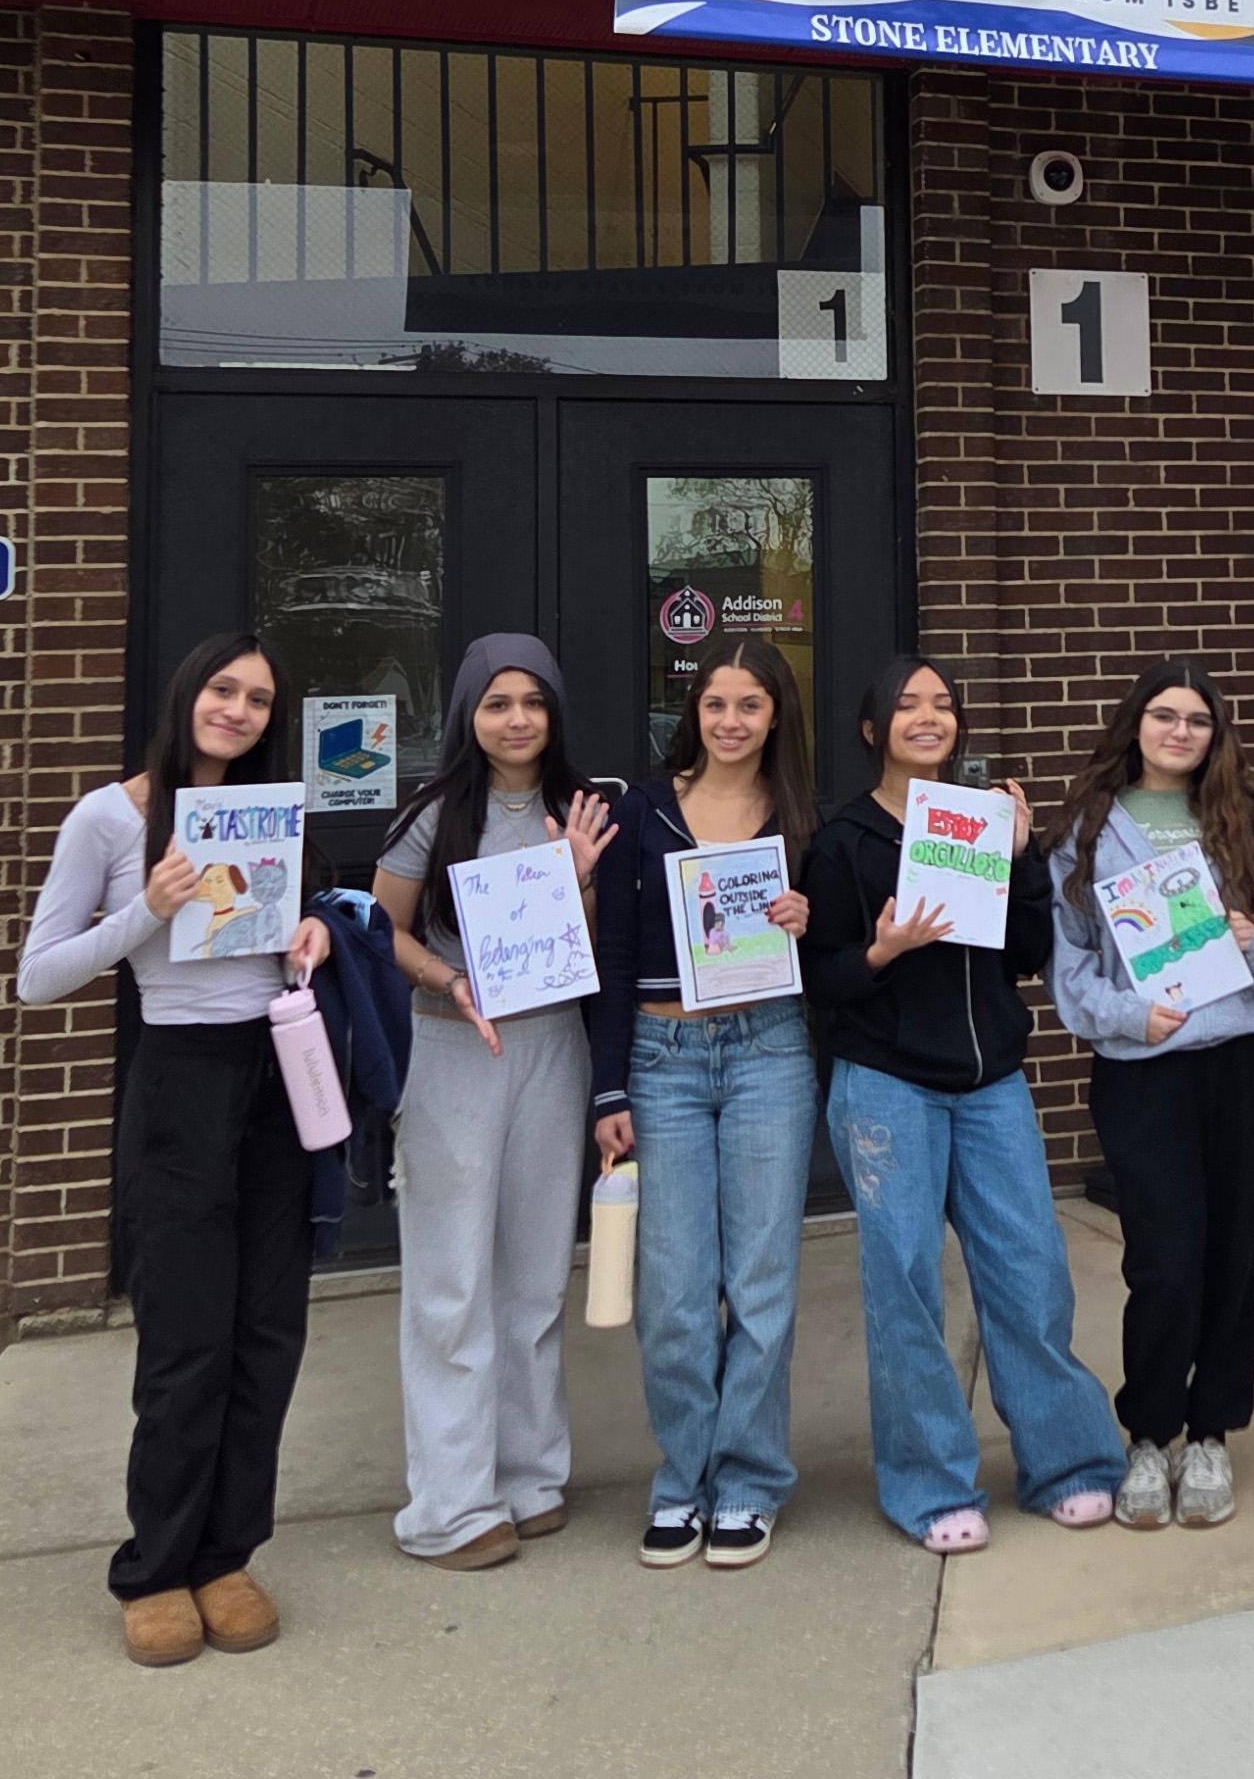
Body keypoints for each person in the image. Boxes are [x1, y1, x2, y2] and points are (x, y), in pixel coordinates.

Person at [15, 631, 333, 1668]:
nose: (237, 710)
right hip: (179, 1082)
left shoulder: (268, 813)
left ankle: (227, 1555)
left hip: (275, 1073)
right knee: (185, 1337)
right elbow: (38, 976)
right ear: (187, 692)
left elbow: (280, 925)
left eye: (258, 699)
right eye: (223, 689)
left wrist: (314, 932)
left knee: (267, 1329)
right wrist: (143, 911)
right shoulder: (109, 817)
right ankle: (155, 1567)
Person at [803, 653, 1126, 1552]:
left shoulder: (980, 827)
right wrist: (882, 951)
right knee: (906, 1287)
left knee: (1031, 1272)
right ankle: (931, 1485)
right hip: (887, 1086)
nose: (928, 717)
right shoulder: (844, 841)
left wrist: (1022, 861)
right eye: (907, 704)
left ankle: (1068, 1463)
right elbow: (821, 977)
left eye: (943, 704)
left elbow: (1023, 951)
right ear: (873, 728)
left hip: (991, 1087)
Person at [373, 634, 613, 1570]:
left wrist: (580, 875)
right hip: (454, 1046)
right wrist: (448, 978)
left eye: (534, 702)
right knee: (453, 1279)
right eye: (498, 703)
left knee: (536, 1274)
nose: (519, 720)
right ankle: (449, 1505)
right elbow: (382, 928)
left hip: (551, 1043)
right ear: (468, 714)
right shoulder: (433, 813)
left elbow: (588, 945)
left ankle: (529, 1476)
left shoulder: (577, 807)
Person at [589, 631, 819, 1571]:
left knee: (761, 1284)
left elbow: (838, 952)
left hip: (770, 1050)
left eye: (750, 704)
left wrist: (808, 922)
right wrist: (608, 1083)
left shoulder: (801, 819)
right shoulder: (641, 811)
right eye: (716, 703)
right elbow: (610, 956)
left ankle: (749, 1482)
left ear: (776, 716)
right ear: (695, 711)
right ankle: (682, 1478)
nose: (731, 721)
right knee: (676, 1292)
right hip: (663, 1059)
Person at [1045, 658, 1254, 1530]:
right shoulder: (1089, 827)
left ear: (1215, 735)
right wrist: (1124, 1015)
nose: (1180, 732)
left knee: (1234, 1255)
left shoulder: (1246, 820)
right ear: (1136, 724)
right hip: (1144, 1068)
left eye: (1197, 720)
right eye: (1164, 716)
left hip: (1241, 1061)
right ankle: (1150, 1433)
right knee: (1164, 1259)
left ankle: (1212, 1432)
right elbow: (1068, 957)